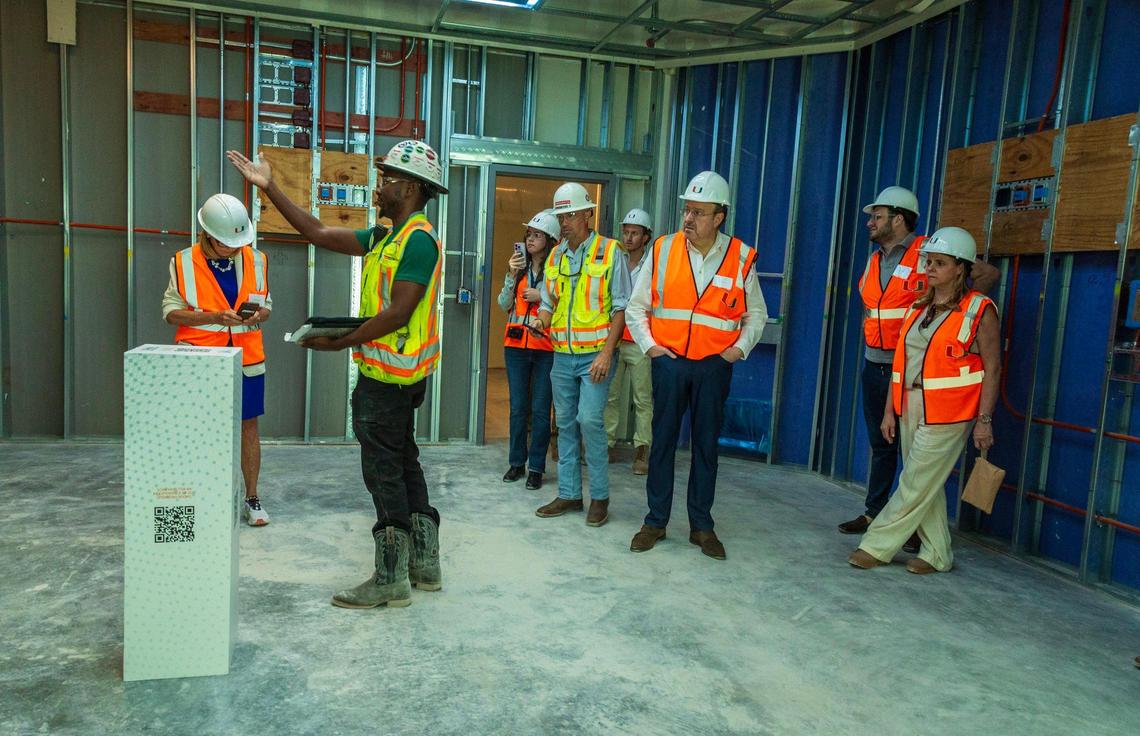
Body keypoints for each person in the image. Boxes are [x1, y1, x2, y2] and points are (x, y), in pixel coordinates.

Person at [228, 140, 445, 609]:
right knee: (403, 460)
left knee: (384, 471)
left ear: (409, 188)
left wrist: (339, 343)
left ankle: (390, 578)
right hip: (393, 375)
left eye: (387, 179)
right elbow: (321, 234)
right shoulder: (388, 237)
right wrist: (271, 188)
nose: (379, 186)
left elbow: (400, 313)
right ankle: (424, 565)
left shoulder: (418, 241)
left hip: (390, 381)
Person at [839, 186, 1000, 553]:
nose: (870, 222)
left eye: (876, 216)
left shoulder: (930, 250)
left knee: (916, 467)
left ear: (898, 218)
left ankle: (890, 536)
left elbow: (986, 275)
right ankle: (874, 512)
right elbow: (873, 308)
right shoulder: (875, 259)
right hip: (881, 365)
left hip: (926, 378)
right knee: (883, 446)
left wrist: (962, 317)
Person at [625, 171, 767, 560]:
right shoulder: (664, 249)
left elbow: (755, 315)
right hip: (669, 362)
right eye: (687, 210)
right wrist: (652, 347)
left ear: (719, 217)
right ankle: (655, 520)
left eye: (699, 212)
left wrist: (735, 352)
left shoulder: (740, 257)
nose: (688, 219)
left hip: (713, 367)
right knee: (662, 444)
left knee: (706, 447)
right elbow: (637, 307)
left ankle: (701, 526)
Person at [163, 193, 272, 527]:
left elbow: (266, 304)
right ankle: (198, 499)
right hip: (200, 359)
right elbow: (170, 312)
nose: (234, 248)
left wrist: (259, 314)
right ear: (207, 234)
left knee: (248, 428)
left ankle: (251, 498)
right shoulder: (182, 262)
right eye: (227, 243)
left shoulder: (256, 259)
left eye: (238, 242)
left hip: (247, 358)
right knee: (196, 431)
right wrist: (212, 317)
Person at [528, 182, 630, 528]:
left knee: (590, 420)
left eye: (571, 214)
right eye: (561, 215)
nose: (566, 221)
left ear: (589, 213)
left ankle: (599, 497)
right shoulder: (556, 255)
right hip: (562, 355)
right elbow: (548, 300)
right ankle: (571, 494)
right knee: (566, 424)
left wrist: (606, 353)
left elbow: (621, 309)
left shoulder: (610, 251)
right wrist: (541, 319)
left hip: (595, 356)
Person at [497, 210, 559, 491]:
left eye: (537, 235)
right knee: (518, 408)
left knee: (540, 410)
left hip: (545, 346)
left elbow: (564, 303)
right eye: (529, 235)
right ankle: (516, 463)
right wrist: (511, 275)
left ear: (550, 240)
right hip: (516, 347)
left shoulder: (558, 269)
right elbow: (503, 303)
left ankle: (536, 467)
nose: (531, 239)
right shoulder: (519, 268)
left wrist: (542, 297)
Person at [604, 208, 655, 475]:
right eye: (626, 231)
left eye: (635, 233)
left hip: (639, 340)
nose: (629, 237)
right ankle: (607, 444)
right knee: (610, 395)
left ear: (646, 237)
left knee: (642, 397)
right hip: (613, 339)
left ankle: (642, 449)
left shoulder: (653, 265)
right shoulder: (615, 259)